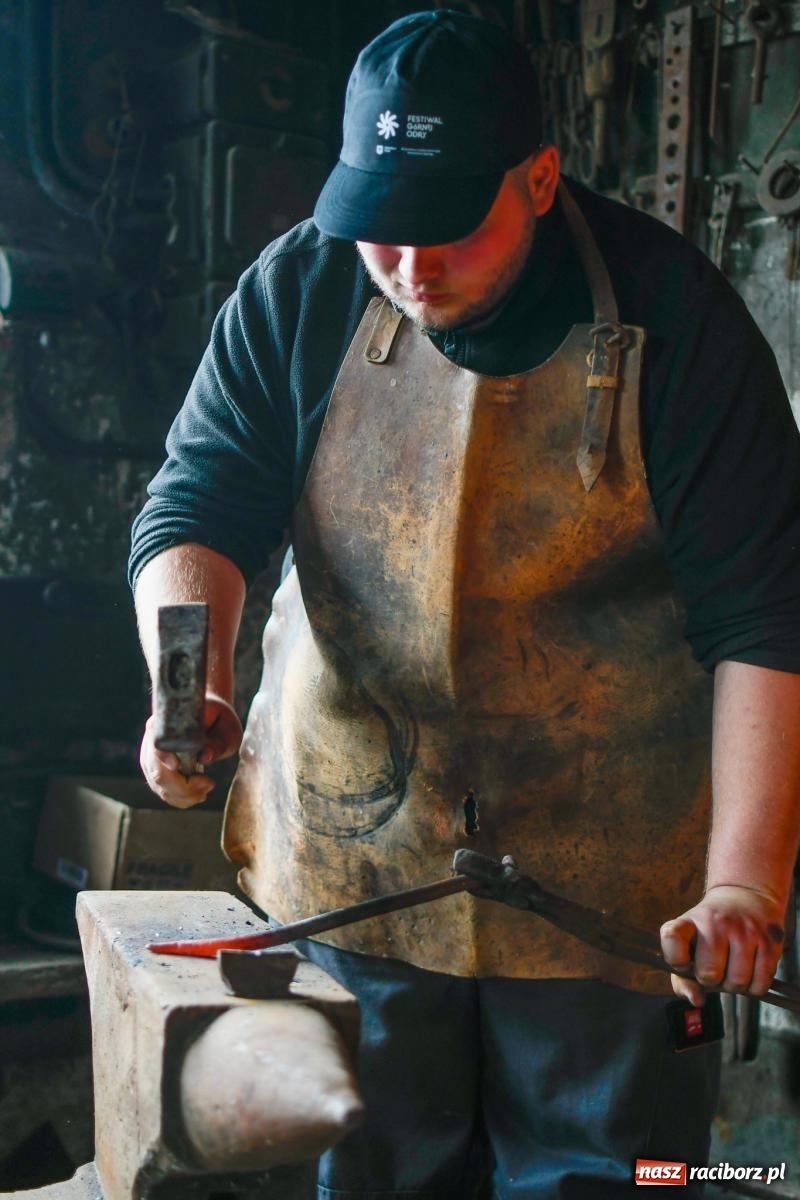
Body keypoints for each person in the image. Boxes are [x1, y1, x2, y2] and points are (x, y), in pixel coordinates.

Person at [131, 10, 800, 1198]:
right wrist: (194, 687)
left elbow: (764, 615)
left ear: (539, 178)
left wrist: (742, 883)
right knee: (373, 1174)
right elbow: (195, 511)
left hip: (608, 891)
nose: (407, 264)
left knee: (613, 1180)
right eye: (377, 227)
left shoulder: (678, 321)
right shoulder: (299, 292)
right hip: (359, 861)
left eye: (445, 226)